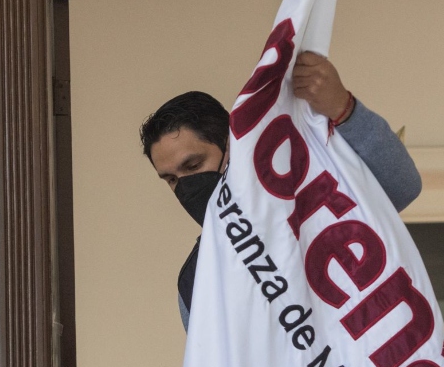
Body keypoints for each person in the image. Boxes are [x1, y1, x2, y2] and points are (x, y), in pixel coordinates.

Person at [140, 52, 422, 330]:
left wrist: (342, 108)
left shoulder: (307, 198)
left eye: (193, 165)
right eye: (171, 179)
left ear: (233, 144)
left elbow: (401, 187)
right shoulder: (196, 281)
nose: (186, 188)